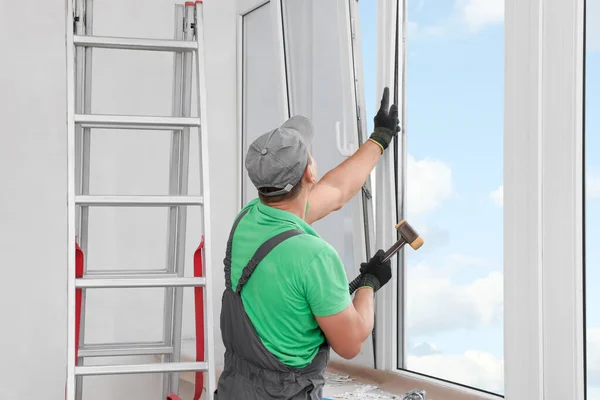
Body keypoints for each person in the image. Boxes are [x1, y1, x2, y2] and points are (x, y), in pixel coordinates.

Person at [215, 88, 400, 400]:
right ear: (310, 170)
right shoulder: (314, 257)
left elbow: (336, 190)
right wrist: (369, 284)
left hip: (236, 390)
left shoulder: (248, 219)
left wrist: (378, 140)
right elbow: (351, 343)